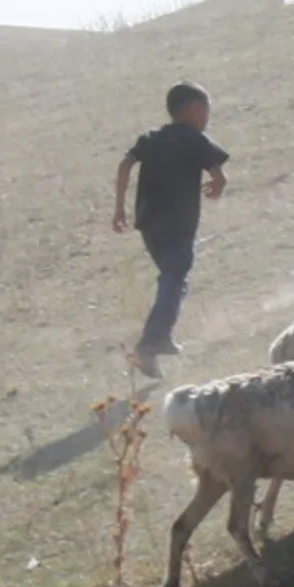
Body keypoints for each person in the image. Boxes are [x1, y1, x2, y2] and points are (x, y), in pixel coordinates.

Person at [112, 83, 229, 373]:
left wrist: (119, 207)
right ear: (193, 109)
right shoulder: (194, 139)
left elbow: (125, 165)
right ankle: (148, 345)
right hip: (178, 223)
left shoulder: (151, 137)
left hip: (149, 223)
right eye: (206, 109)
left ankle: (161, 338)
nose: (207, 116)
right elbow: (218, 173)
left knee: (172, 278)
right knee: (174, 280)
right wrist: (218, 183)